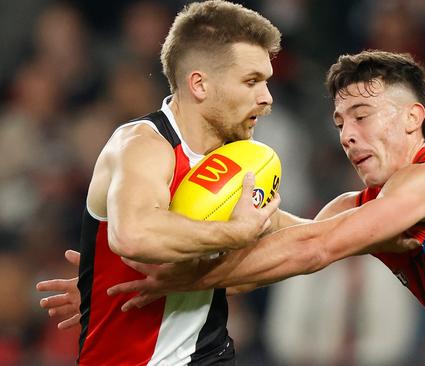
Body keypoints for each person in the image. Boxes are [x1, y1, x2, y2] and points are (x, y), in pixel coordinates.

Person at [39, 51, 425, 365]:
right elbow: (275, 255)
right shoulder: (365, 205)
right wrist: (115, 278)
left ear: (414, 118)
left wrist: (168, 278)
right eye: (338, 122)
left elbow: (314, 247)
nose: (347, 135)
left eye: (361, 116)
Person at [36, 1, 293, 364]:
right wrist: (235, 235)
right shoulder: (142, 145)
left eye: (266, 82)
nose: (267, 98)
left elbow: (302, 240)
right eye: (252, 81)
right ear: (199, 84)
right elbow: (133, 235)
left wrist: (383, 225)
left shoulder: (240, 160)